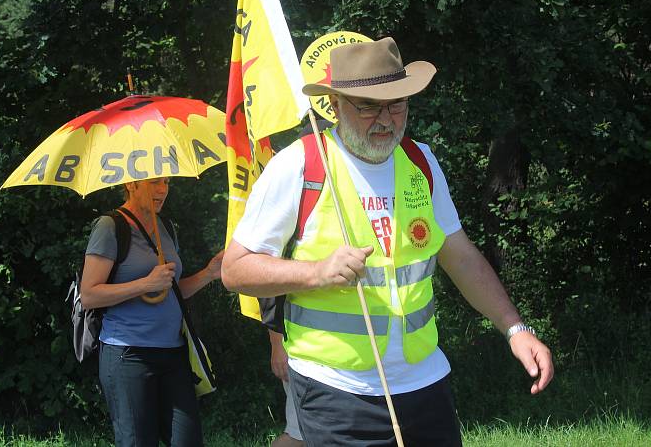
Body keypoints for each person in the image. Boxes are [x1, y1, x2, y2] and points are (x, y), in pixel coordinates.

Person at [221, 37, 554, 446]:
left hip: (423, 382)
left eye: (397, 104)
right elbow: (235, 270)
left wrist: (515, 328)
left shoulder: (421, 162)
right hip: (336, 390)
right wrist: (316, 272)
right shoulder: (299, 165)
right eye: (368, 106)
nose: (386, 119)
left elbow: (462, 257)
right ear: (337, 104)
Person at [81, 177, 223, 447]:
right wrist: (145, 283)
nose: (162, 190)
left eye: (166, 182)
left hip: (174, 353)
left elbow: (172, 290)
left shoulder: (166, 227)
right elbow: (89, 295)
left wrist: (210, 273)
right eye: (154, 182)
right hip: (127, 355)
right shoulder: (110, 226)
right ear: (131, 184)